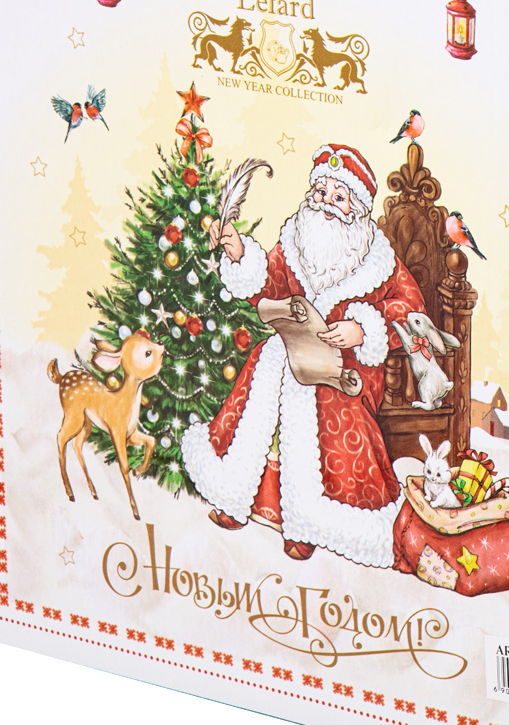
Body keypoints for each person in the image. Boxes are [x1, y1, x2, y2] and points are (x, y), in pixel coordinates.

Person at [181, 144, 425, 565]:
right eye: (321, 192)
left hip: (348, 367)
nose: (326, 203)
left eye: (338, 196)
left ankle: (309, 524)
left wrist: (362, 329)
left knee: (321, 402)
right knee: (263, 370)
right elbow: (270, 282)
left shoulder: (378, 260)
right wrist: (241, 255)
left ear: (357, 207)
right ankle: (235, 495)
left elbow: (411, 311)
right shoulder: (296, 237)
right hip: (292, 348)